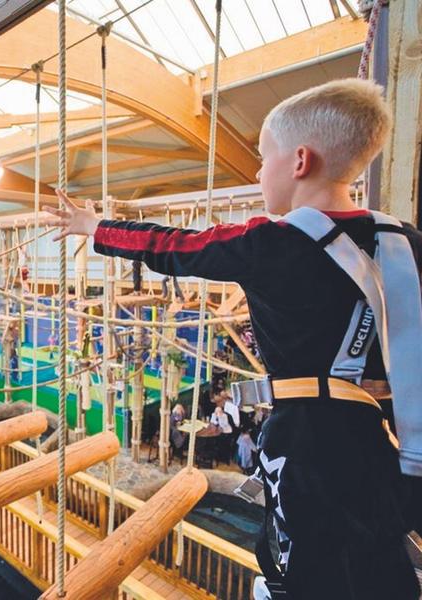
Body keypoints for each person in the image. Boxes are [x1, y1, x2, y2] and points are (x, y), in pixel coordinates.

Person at [45, 79, 421, 599]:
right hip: (384, 439)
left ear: (300, 161)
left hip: (308, 442)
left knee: (305, 571)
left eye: (265, 158)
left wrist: (94, 226)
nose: (259, 172)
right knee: (376, 559)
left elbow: (174, 245)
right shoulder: (406, 243)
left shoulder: (269, 244)